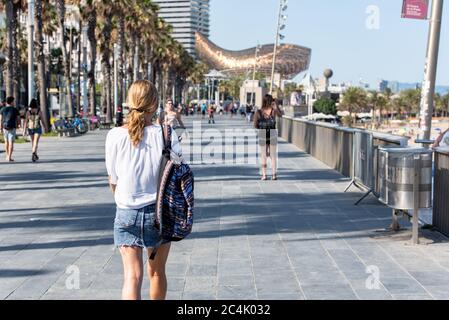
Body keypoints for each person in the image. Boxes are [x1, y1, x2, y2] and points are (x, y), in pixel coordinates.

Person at [105, 80, 181, 300]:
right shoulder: (167, 134)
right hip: (159, 214)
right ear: (155, 103)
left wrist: (122, 201)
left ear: (130, 102)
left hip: (126, 213)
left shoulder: (114, 136)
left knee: (132, 276)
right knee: (156, 273)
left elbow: (113, 179)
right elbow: (176, 173)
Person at [254, 94, 283, 180]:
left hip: (262, 133)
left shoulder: (259, 112)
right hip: (272, 132)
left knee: (264, 155)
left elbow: (255, 125)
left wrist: (262, 126)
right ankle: (274, 175)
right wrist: (276, 105)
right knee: (273, 155)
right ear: (271, 101)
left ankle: (264, 175)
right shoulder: (273, 111)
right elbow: (281, 115)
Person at [0, 97, 20, 162]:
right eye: (13, 101)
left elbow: (0, 119)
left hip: (5, 127)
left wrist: (0, 128)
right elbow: (18, 119)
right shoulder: (15, 110)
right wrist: (18, 125)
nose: (14, 102)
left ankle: (7, 155)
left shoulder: (2, 109)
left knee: (6, 142)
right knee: (11, 142)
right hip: (12, 127)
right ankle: (9, 157)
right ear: (11, 102)